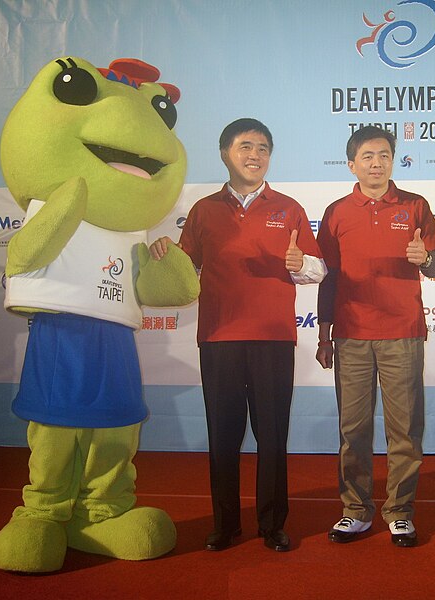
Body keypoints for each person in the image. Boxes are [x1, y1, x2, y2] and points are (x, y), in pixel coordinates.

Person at [149, 118, 326, 552]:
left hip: (273, 338)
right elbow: (185, 271)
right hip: (219, 337)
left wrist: (299, 263)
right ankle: (225, 524)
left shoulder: (289, 208)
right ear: (226, 153)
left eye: (263, 148)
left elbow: (318, 270)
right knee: (222, 436)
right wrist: (163, 258)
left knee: (272, 435)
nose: (255, 155)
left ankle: (273, 525)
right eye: (246, 146)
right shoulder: (204, 211)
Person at [315, 125, 435, 547]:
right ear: (352, 164)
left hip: (402, 333)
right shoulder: (336, 212)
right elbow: (327, 278)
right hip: (351, 336)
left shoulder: (414, 206)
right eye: (368, 156)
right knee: (352, 429)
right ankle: (355, 510)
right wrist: (323, 333)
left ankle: (400, 512)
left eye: (384, 155)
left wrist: (426, 258)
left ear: (394, 160)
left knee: (405, 430)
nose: (376, 163)